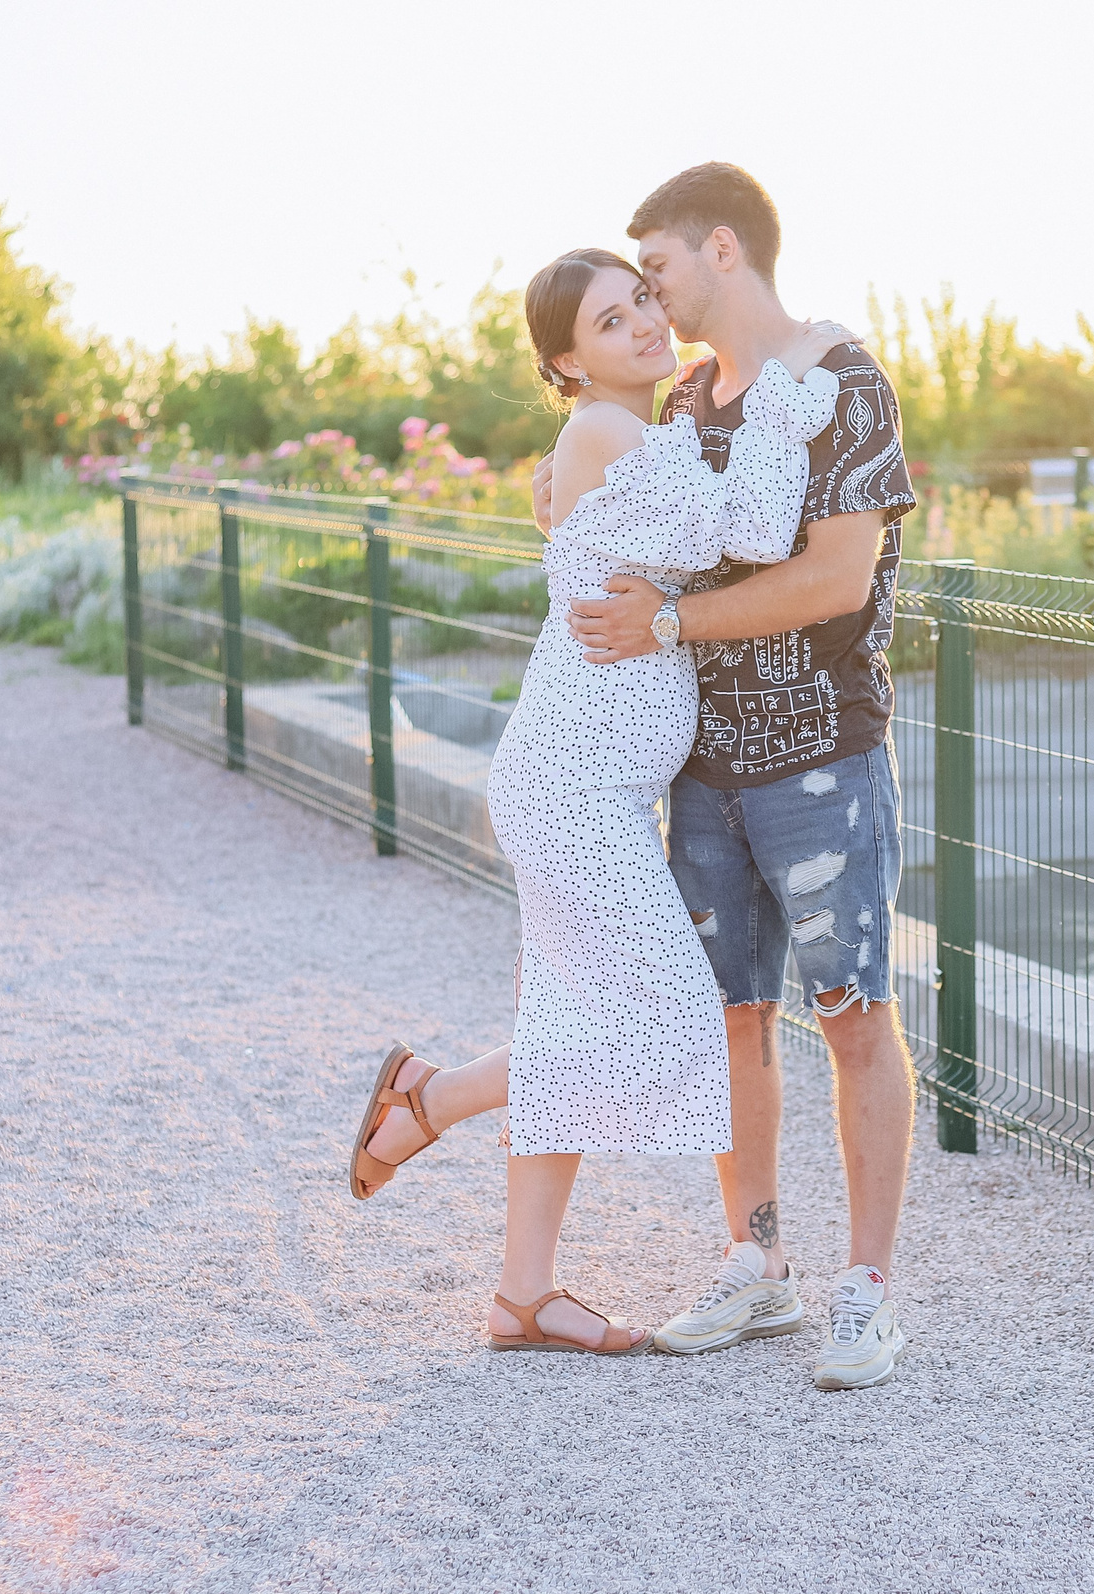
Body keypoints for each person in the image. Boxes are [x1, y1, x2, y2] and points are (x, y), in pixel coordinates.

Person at [347, 246, 846, 1360]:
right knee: (664, 1017)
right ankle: (427, 1096)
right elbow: (759, 535)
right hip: (574, 788)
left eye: (641, 305)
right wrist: (790, 395)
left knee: (573, 1024)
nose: (642, 329)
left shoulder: (630, 438)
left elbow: (682, 536)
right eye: (610, 324)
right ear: (566, 363)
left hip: (589, 788)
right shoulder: (607, 434)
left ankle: (522, 1297)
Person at [537, 164, 920, 1392]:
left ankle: (865, 1291)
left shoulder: (844, 382)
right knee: (731, 1022)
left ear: (718, 250)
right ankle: (757, 1269)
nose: (648, 297)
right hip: (702, 768)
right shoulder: (688, 398)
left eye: (654, 272)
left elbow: (831, 583)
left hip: (822, 761)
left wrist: (662, 629)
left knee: (853, 1014)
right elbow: (642, 529)